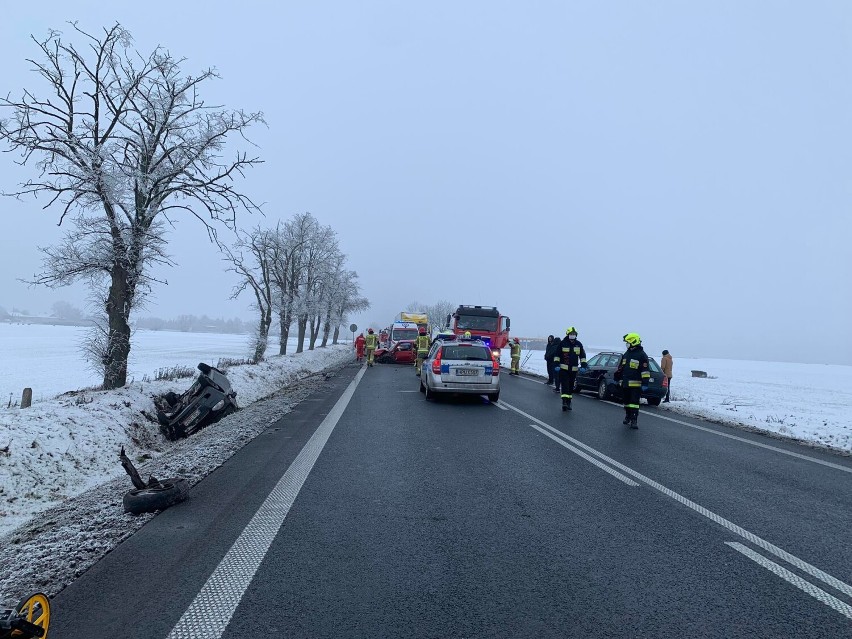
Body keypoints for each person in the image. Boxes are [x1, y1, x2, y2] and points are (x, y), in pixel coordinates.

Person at [613, 333, 651, 428]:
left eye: (628, 342)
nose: (627, 344)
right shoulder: (626, 354)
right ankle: (628, 416)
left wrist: (645, 382)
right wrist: (617, 377)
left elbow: (645, 370)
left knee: (634, 403)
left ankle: (634, 420)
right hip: (625, 384)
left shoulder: (642, 355)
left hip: (636, 385)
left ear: (633, 341)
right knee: (626, 402)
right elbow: (621, 367)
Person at [556, 327, 588, 411]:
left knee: (570, 386)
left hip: (573, 370)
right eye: (571, 334)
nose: (572, 335)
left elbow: (582, 356)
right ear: (568, 334)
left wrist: (584, 365)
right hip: (563, 369)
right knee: (565, 385)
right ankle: (564, 402)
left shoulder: (579, 344)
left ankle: (569, 401)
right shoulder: (563, 343)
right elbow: (557, 355)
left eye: (574, 334)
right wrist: (556, 364)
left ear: (576, 335)